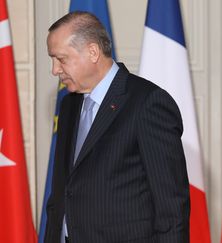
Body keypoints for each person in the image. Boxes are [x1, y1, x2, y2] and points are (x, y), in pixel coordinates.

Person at [44, 11, 190, 243]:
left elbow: (171, 207)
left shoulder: (147, 103)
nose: (54, 70)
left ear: (93, 52)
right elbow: (62, 192)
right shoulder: (69, 104)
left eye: (61, 59)